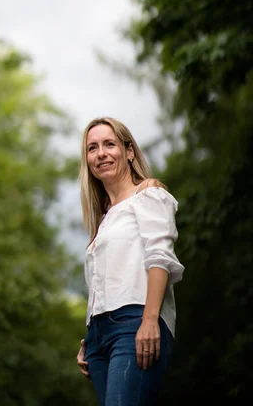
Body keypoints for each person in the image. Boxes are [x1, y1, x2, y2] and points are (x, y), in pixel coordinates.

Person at [76, 117, 184, 406]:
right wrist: (89, 337)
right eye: (92, 148)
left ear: (129, 151)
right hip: (99, 338)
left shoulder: (147, 194)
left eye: (109, 144)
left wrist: (150, 321)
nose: (101, 153)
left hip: (135, 324)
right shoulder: (104, 218)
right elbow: (105, 281)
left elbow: (160, 258)